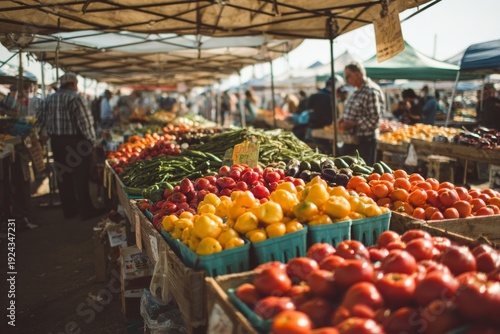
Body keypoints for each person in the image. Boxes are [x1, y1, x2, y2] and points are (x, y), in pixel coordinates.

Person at [35, 72, 104, 220]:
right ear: (73, 84)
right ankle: (86, 211)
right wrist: (92, 141)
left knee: (63, 177)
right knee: (80, 178)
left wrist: (40, 135)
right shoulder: (75, 98)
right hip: (75, 143)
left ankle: (70, 210)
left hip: (56, 142)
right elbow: (84, 123)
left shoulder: (49, 98)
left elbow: (38, 120)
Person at [337, 62, 385, 166]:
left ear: (357, 74)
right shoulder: (357, 91)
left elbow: (374, 119)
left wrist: (353, 124)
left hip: (366, 141)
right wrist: (343, 119)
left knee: (364, 171)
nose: (346, 80)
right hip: (353, 139)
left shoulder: (371, 91)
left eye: (348, 76)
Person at [305, 75, 343, 153]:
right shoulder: (330, 98)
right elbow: (334, 117)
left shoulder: (315, 95)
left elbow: (308, 109)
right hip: (323, 133)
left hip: (311, 129)